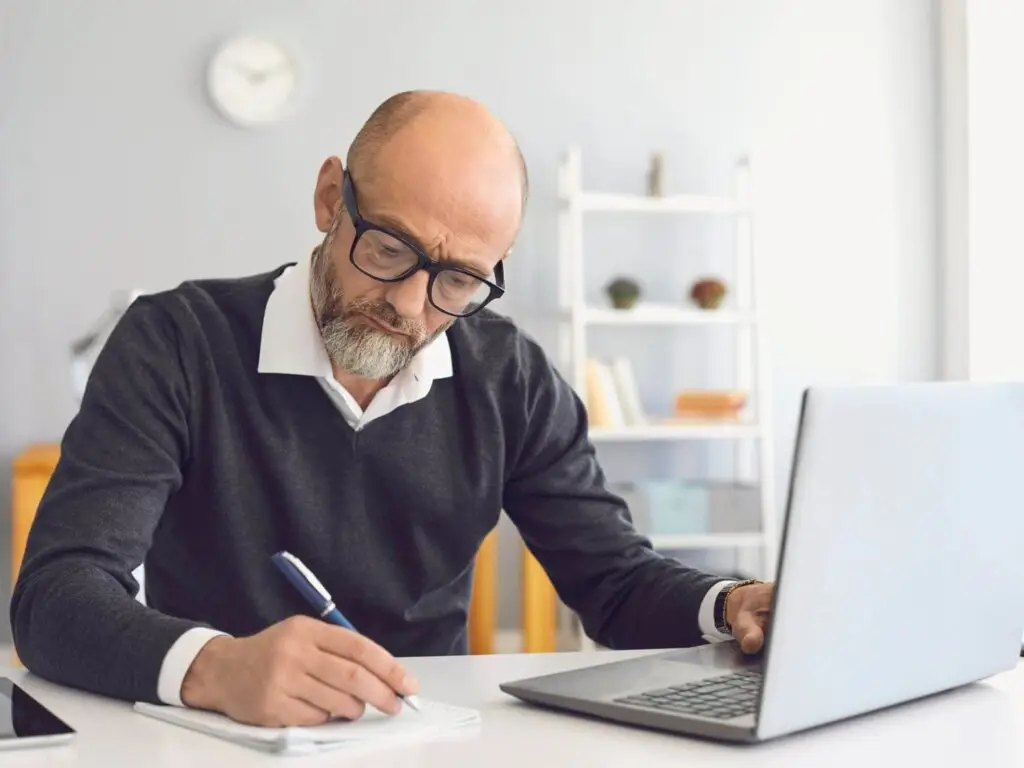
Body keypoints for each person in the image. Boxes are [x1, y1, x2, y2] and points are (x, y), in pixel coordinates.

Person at [10, 90, 774, 727]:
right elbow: (55, 597)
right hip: (223, 738)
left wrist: (730, 603)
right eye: (388, 249)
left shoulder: (510, 376)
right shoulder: (176, 343)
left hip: (424, 732)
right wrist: (216, 666)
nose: (408, 304)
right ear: (327, 198)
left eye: (459, 281)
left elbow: (615, 583)